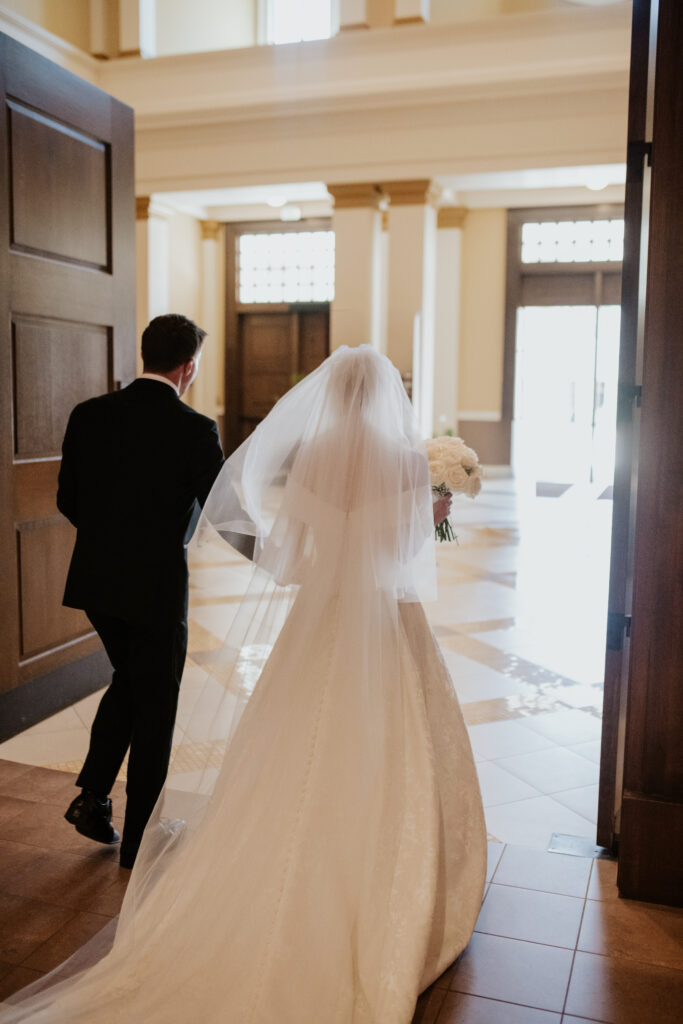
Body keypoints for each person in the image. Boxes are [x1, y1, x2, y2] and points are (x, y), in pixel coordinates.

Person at [2, 345, 485, 1023]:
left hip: (316, 616)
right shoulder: (405, 460)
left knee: (292, 729)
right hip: (381, 616)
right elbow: (405, 551)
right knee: (391, 725)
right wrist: (431, 508)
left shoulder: (311, 456)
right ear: (385, 395)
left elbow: (289, 552)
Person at [57, 314, 224, 869]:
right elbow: (222, 510)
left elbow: (68, 501)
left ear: (145, 355)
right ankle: (141, 839)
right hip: (154, 589)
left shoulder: (89, 415)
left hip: (97, 583)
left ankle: (93, 799)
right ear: (188, 366)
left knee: (130, 681)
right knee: (157, 703)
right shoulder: (195, 429)